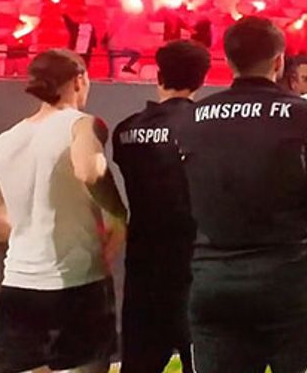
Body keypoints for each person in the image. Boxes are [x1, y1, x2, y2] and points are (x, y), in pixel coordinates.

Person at [174, 16, 307, 373]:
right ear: (279, 61)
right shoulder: (304, 114)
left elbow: (182, 197)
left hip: (213, 279)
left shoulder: (192, 117)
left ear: (227, 60)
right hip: (286, 280)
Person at [0, 49, 126, 373]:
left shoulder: (6, 139)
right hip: (77, 283)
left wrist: (35, 239)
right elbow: (90, 170)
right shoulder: (82, 124)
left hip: (18, 287)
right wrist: (118, 213)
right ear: (79, 80)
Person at [112, 40, 211, 373]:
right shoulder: (204, 127)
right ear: (202, 79)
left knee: (140, 363)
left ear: (158, 75)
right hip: (193, 262)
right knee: (201, 360)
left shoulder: (125, 130)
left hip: (144, 264)